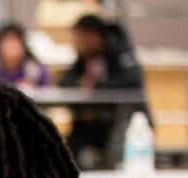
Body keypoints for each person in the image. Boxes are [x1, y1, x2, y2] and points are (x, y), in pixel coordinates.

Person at [60, 14, 145, 168]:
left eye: (80, 38)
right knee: (71, 144)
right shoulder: (85, 57)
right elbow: (65, 81)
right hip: (95, 120)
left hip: (126, 121)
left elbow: (132, 81)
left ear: (94, 36)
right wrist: (79, 84)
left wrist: (97, 86)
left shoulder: (119, 51)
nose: (76, 43)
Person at [0, 22, 51, 89]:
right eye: (7, 42)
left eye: (15, 42)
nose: (11, 46)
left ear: (23, 46)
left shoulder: (36, 70)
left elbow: (46, 91)